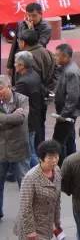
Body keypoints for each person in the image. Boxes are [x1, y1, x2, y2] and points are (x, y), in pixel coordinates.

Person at [14, 140, 63, 240]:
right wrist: (30, 231)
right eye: (50, 158)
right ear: (41, 158)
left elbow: (57, 200)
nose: (54, 160)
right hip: (33, 227)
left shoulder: (57, 170)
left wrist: (56, 223)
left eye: (56, 156)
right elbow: (25, 207)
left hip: (47, 224)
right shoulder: (31, 178)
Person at [0, 75, 30, 220]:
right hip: (1, 150)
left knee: (25, 184)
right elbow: (15, 119)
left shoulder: (22, 99)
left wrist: (3, 119)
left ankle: (27, 214)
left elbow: (21, 118)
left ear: (9, 87)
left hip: (19, 149)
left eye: (1, 89)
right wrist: (12, 117)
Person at [52, 43, 80, 164]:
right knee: (69, 138)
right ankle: (72, 163)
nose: (55, 58)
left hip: (67, 114)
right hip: (67, 112)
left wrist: (64, 115)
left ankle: (61, 166)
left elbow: (72, 97)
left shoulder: (71, 72)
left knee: (58, 141)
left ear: (65, 57)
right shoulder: (66, 68)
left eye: (57, 55)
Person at [13, 51, 45, 167]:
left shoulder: (23, 82)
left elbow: (16, 101)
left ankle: (40, 173)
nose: (14, 65)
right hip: (34, 117)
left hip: (27, 121)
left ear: (22, 65)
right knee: (31, 149)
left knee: (29, 153)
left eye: (16, 63)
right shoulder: (34, 74)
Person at [7, 2, 52, 79]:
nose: (31, 18)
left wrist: (31, 30)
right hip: (18, 60)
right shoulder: (21, 24)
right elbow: (14, 45)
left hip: (34, 61)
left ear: (41, 14)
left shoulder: (46, 28)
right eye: (28, 15)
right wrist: (9, 65)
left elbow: (40, 45)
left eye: (34, 16)